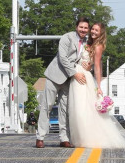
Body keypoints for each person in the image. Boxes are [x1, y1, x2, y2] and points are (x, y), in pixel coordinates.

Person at [67, 22, 125, 149]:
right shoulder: (87, 42)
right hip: (76, 74)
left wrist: (98, 86)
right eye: (92, 29)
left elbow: (98, 67)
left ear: (101, 33)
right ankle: (80, 138)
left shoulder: (98, 46)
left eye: (96, 30)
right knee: (77, 109)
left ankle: (88, 138)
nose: (93, 32)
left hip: (85, 77)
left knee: (83, 110)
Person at [35, 17, 90, 148]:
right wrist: (74, 73)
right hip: (55, 75)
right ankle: (40, 137)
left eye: (86, 28)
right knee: (47, 106)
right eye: (81, 27)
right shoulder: (67, 37)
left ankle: (64, 138)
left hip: (68, 80)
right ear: (77, 27)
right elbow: (63, 58)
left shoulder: (87, 42)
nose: (83, 30)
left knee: (65, 109)